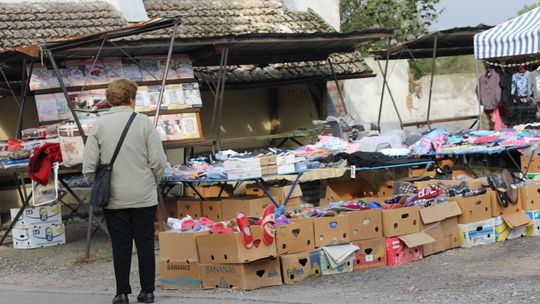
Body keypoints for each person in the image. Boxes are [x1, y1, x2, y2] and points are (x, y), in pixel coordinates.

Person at [83, 79, 167, 304]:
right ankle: (147, 292)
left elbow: (89, 166)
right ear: (131, 98)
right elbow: (158, 161)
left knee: (120, 244)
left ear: (109, 100)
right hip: (143, 194)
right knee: (145, 242)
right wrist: (152, 181)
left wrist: (99, 182)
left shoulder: (99, 125)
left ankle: (121, 293)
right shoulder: (143, 122)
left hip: (114, 196)